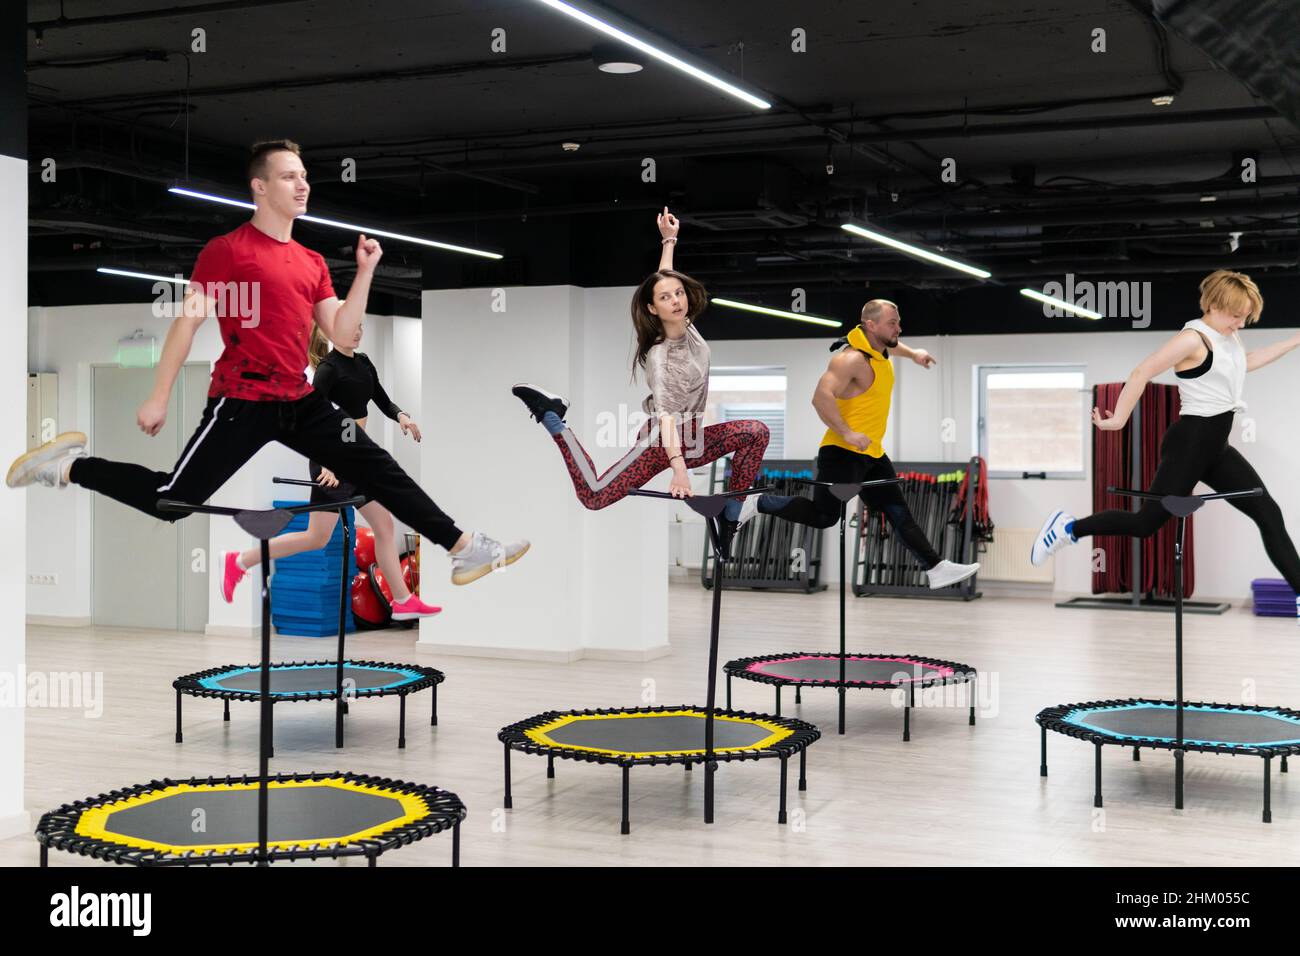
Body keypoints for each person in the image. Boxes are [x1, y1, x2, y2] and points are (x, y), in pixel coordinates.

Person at [6, 139, 527, 588]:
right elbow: (187, 322)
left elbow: (342, 333)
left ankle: (462, 548)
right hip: (242, 398)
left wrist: (365, 272)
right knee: (173, 500)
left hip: (298, 399)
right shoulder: (228, 250)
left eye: (304, 177)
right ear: (260, 187)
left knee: (379, 469)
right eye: (288, 177)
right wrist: (159, 393)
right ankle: (66, 467)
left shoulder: (312, 262)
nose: (302, 186)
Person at [1031, 270, 1300, 622]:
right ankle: (1067, 528)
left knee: (1268, 513)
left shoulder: (1229, 339)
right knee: (1145, 524)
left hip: (1216, 448)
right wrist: (1118, 419)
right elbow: (1142, 371)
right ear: (1216, 305)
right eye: (1237, 315)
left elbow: (1245, 365)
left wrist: (1296, 339)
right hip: (1190, 442)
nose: (1241, 323)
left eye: (1246, 317)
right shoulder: (1192, 338)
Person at [511, 207, 769, 551]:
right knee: (595, 496)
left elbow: (663, 278)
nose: (675, 300)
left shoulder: (687, 327)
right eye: (665, 298)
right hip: (662, 443)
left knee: (756, 432)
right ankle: (553, 417)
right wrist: (678, 470)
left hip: (693, 438)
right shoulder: (663, 357)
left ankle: (732, 513)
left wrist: (669, 240)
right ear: (653, 309)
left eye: (678, 293)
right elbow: (666, 421)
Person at [754, 299, 981, 590]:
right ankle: (758, 501)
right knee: (825, 517)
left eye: (898, 322)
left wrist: (913, 354)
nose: (899, 327)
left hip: (871, 453)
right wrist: (847, 432)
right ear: (871, 325)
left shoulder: (879, 348)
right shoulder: (850, 359)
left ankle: (935, 568)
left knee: (899, 512)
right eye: (892, 323)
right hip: (841, 453)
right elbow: (820, 397)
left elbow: (893, 345)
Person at [221, 324, 440, 618]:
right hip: (332, 461)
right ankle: (241, 561)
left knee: (375, 527)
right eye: (352, 327)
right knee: (318, 537)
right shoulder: (328, 370)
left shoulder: (363, 363)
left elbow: (382, 399)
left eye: (362, 326)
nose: (360, 331)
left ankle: (401, 599)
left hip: (355, 456)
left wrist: (401, 416)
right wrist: (327, 463)